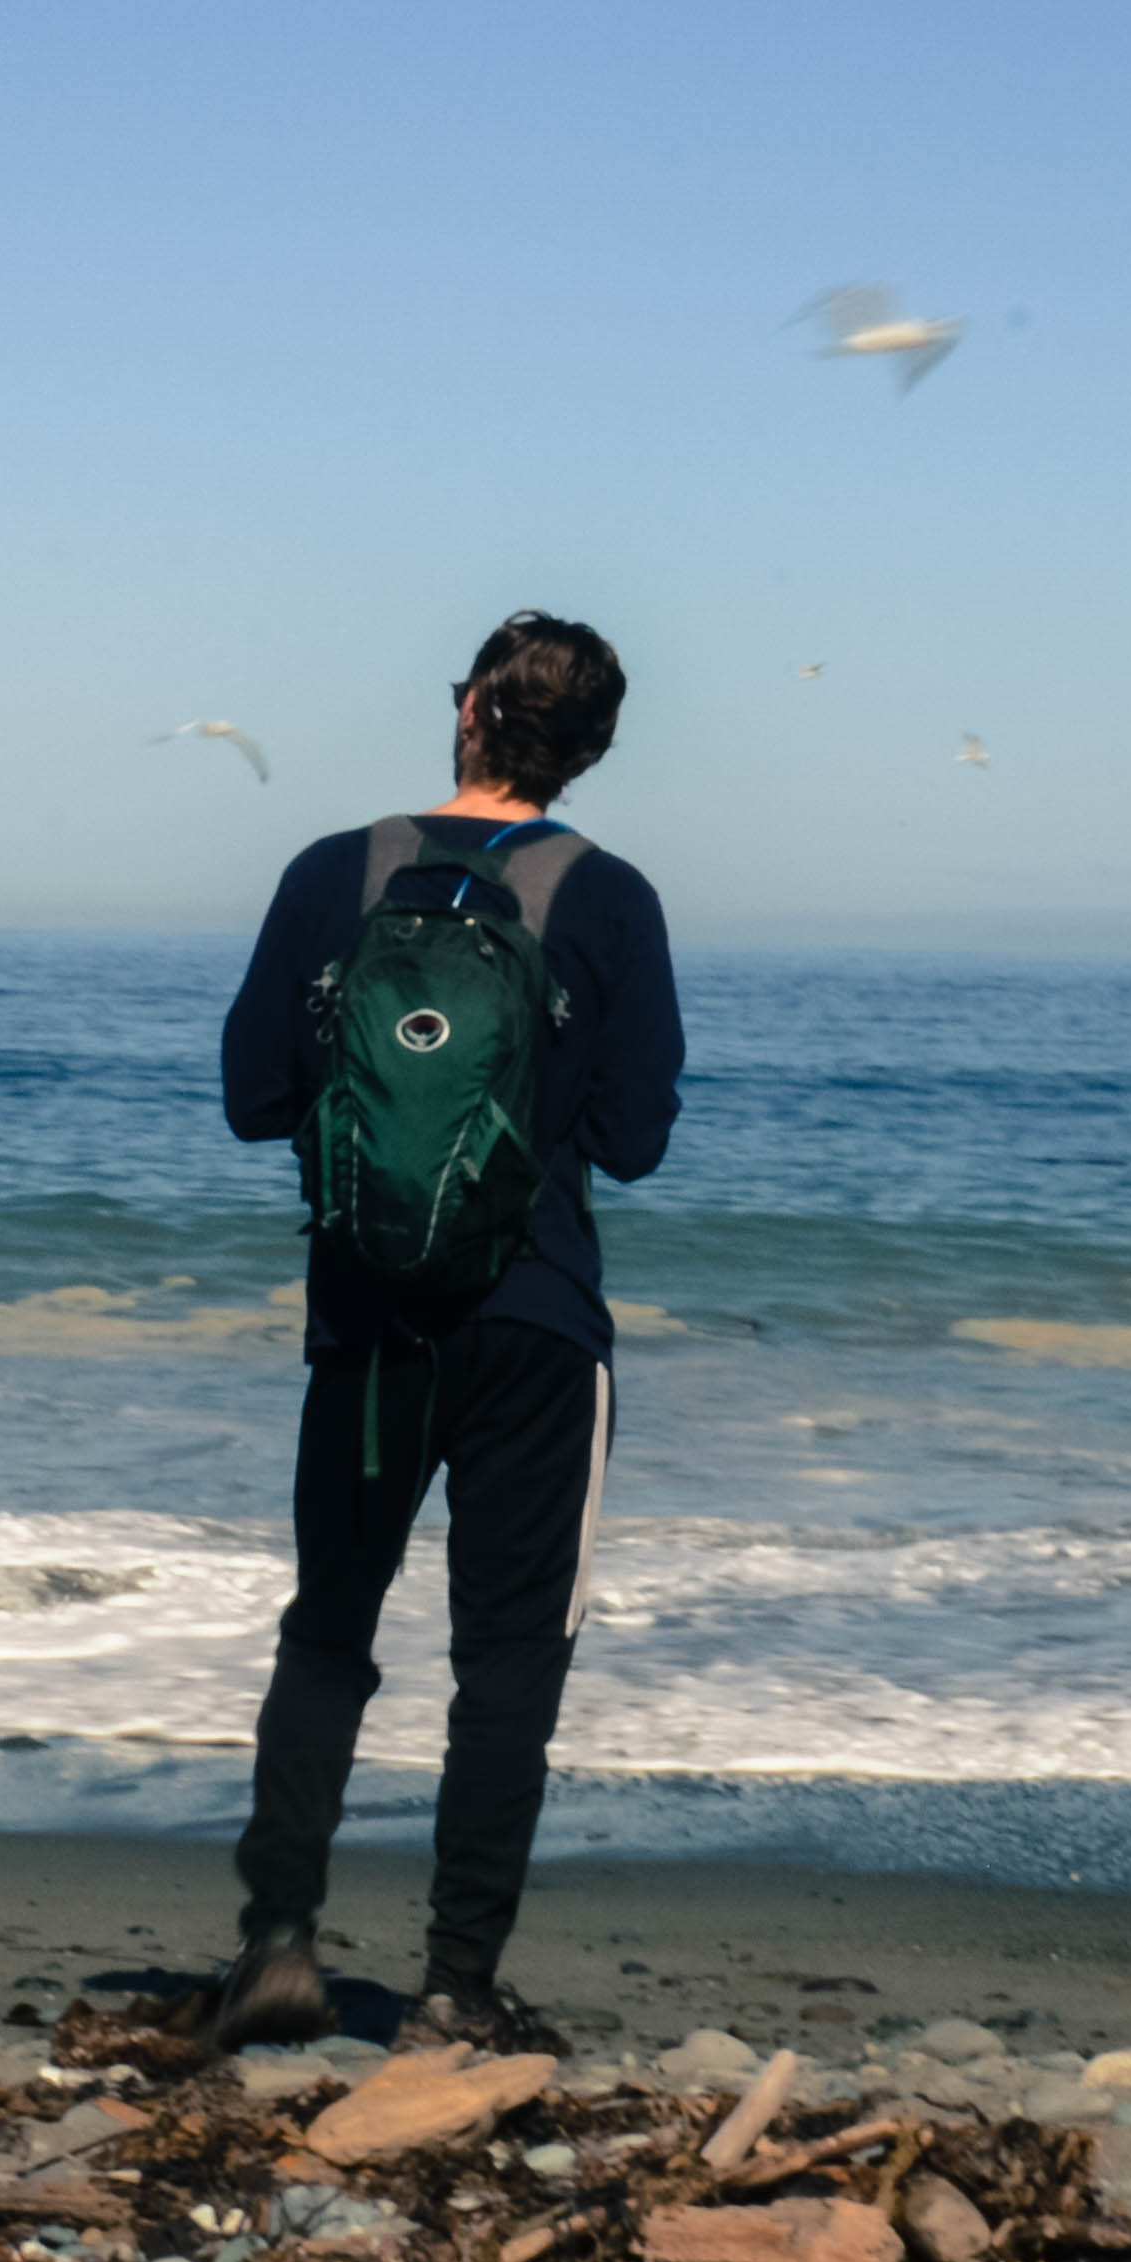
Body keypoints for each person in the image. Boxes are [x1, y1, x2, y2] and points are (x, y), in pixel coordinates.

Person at [177, 610, 683, 2055]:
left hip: (367, 1322)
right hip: (535, 1327)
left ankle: (276, 1941)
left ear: (465, 712)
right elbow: (638, 1142)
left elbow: (253, 1102)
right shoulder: (612, 897)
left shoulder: (336, 872)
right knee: (511, 1655)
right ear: (586, 754)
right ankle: (458, 1985)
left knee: (331, 1632)